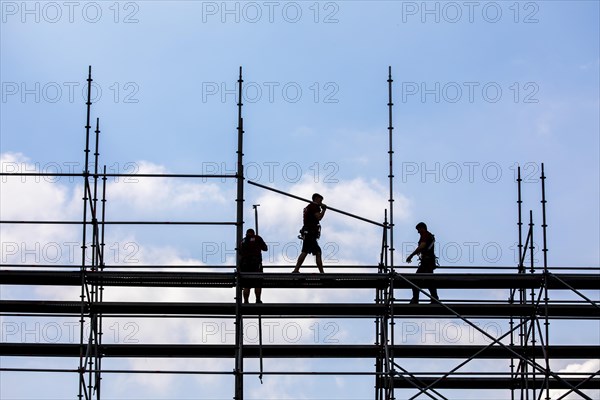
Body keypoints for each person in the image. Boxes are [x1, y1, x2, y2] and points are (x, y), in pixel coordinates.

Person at [292, 193, 326, 273]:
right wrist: (324, 210)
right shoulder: (314, 207)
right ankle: (322, 273)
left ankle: (296, 270)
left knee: (309, 251)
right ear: (316, 199)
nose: (321, 202)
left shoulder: (309, 207)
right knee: (313, 251)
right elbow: (319, 217)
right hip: (310, 233)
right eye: (320, 200)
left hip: (308, 233)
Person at [406, 222, 439, 304]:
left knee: (415, 280)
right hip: (429, 262)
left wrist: (411, 255)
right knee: (430, 282)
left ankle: (415, 300)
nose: (418, 232)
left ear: (422, 228)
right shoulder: (429, 235)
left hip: (426, 263)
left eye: (418, 230)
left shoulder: (425, 234)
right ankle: (435, 299)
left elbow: (422, 246)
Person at [238, 228, 268, 303]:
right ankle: (257, 300)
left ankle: (245, 301)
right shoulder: (257, 238)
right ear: (253, 233)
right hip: (256, 263)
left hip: (244, 265)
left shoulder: (242, 241)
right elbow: (265, 248)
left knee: (246, 285)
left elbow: (240, 253)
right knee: (257, 283)